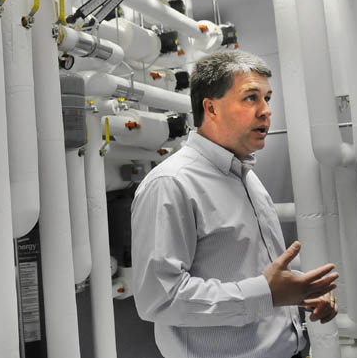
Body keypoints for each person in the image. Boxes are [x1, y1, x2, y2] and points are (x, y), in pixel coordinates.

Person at [131, 51, 339, 358]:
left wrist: (299, 291)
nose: (266, 111)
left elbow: (250, 272)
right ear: (211, 108)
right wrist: (267, 293)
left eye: (267, 98)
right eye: (251, 98)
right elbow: (159, 298)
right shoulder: (171, 183)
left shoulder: (245, 176)